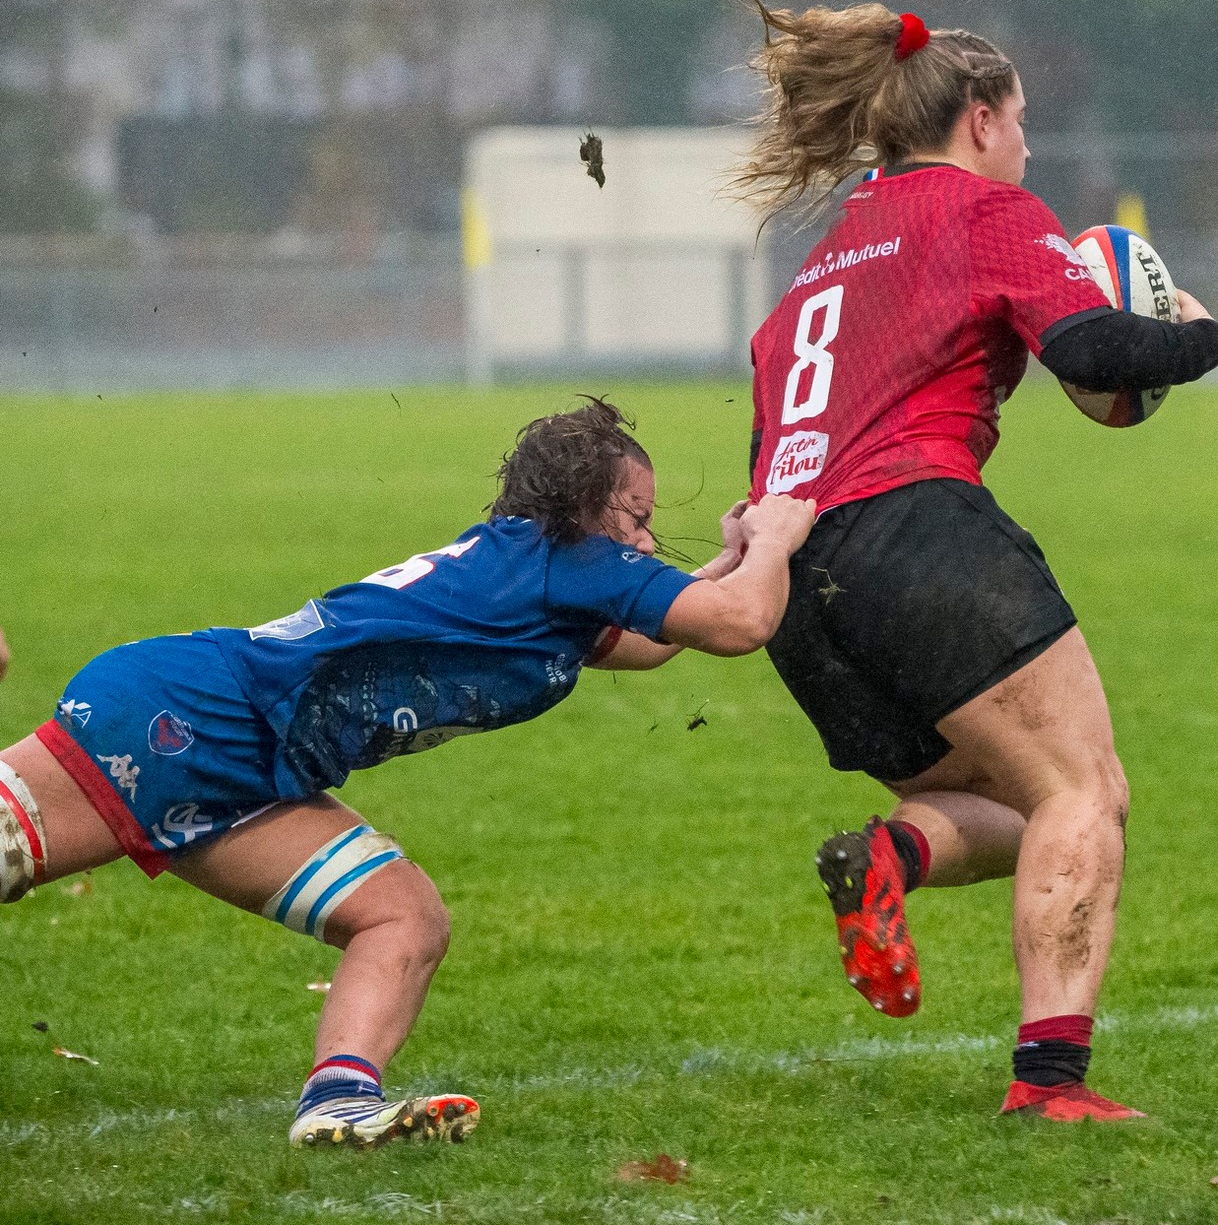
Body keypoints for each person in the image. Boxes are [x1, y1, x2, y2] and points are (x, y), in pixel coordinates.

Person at [0, 398, 815, 1148]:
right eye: (636, 517)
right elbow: (740, 623)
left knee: (404, 917)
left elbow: (661, 636)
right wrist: (775, 540)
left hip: (256, 765)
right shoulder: (571, 563)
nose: (644, 543)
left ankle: (339, 1102)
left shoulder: (540, 573)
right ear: (582, 507)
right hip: (187, 717)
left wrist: (736, 554)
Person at [731, 0, 1218, 1121]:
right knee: (1083, 790)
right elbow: (1093, 346)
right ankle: (1049, 1084)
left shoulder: (824, 262)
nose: (1028, 149)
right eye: (1023, 122)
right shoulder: (983, 208)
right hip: (916, 528)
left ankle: (890, 857)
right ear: (981, 119)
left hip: (795, 579)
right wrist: (1200, 338)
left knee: (1000, 800)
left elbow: (777, 439)